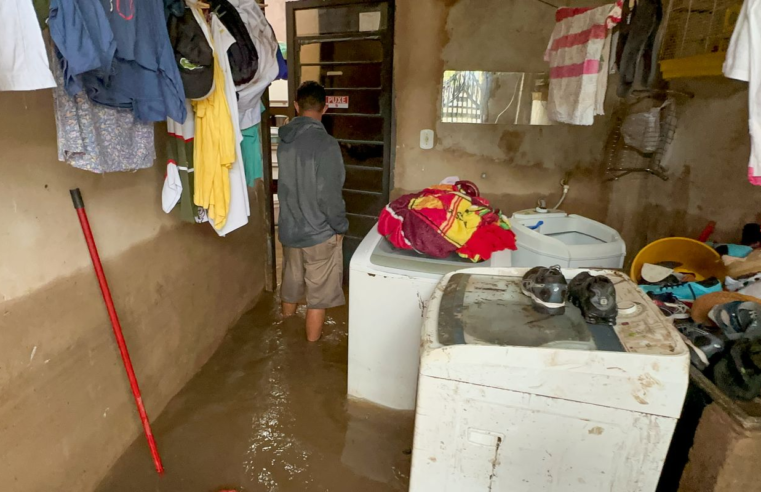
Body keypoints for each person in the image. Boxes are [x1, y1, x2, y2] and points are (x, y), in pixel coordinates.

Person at [277, 81, 349, 341]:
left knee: (291, 286)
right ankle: (310, 352)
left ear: (297, 106)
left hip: (289, 229)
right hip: (318, 233)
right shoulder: (326, 144)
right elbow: (329, 195)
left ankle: (284, 337)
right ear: (325, 108)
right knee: (317, 297)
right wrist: (340, 226)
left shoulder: (284, 139)